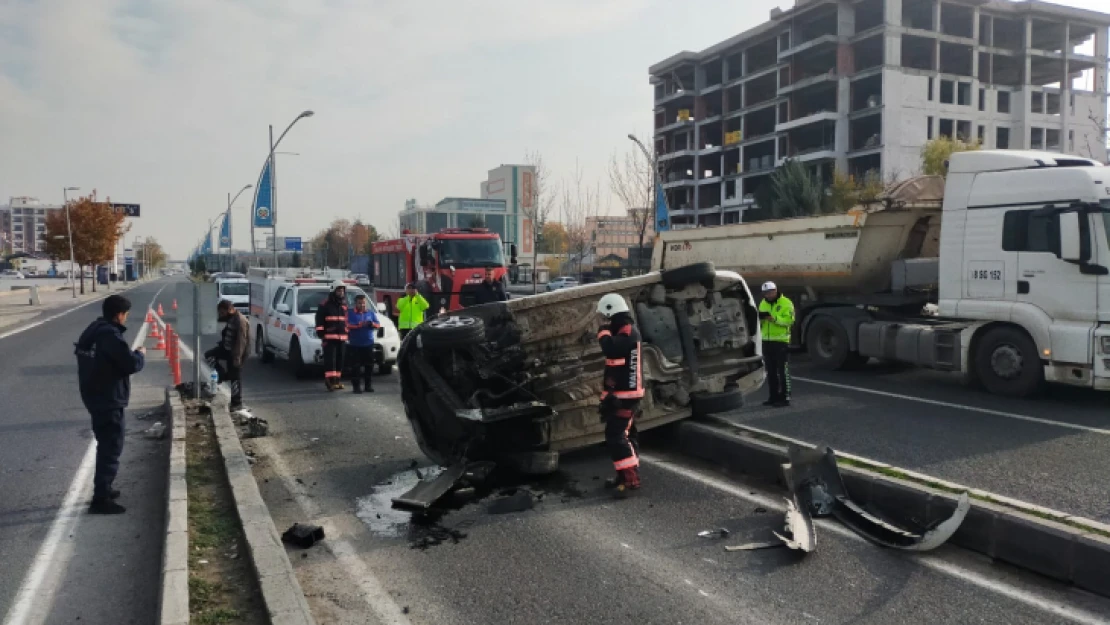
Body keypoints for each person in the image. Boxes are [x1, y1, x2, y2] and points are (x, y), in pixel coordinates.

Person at [75, 294, 146, 514]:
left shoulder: (93, 330)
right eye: (125, 315)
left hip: (93, 394)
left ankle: (105, 487)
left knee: (105, 443)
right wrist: (139, 354)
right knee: (111, 446)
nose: (126, 318)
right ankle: (101, 498)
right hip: (108, 398)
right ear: (119, 315)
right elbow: (130, 364)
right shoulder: (110, 336)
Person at [595, 293, 644, 498]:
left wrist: (602, 331)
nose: (604, 322)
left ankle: (630, 478)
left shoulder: (627, 332)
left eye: (605, 317)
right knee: (623, 435)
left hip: (626, 396)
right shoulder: (625, 330)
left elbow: (610, 348)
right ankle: (623, 475)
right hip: (622, 395)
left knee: (617, 436)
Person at [204, 300, 251, 410]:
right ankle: (221, 374)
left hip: (236, 352)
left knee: (235, 378)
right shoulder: (231, 318)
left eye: (222, 312)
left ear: (229, 309)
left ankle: (236, 403)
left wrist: (237, 357)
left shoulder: (240, 321)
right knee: (209, 355)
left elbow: (241, 341)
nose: (221, 315)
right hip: (226, 349)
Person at [759, 281, 795, 407]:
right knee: (771, 371)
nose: (768, 295)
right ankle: (773, 396)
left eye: (770, 292)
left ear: (776, 290)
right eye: (765, 293)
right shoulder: (763, 303)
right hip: (767, 341)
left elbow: (789, 320)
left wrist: (774, 319)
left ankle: (785, 397)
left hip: (781, 342)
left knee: (782, 370)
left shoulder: (786, 303)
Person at [316, 281, 349, 391]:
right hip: (329, 338)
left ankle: (337, 381)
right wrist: (321, 334)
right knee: (330, 360)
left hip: (341, 337)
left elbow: (346, 320)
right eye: (339, 290)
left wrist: (347, 331)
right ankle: (329, 381)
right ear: (333, 291)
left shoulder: (343, 305)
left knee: (340, 360)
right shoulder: (325, 305)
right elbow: (319, 320)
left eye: (343, 290)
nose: (341, 292)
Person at [346, 294, 381, 394]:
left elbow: (378, 325)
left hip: (368, 343)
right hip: (355, 344)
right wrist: (358, 325)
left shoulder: (370, 313)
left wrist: (372, 324)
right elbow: (346, 325)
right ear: (356, 304)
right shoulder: (350, 313)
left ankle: (368, 386)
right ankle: (356, 387)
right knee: (355, 367)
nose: (362, 305)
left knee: (369, 366)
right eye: (360, 303)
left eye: (364, 303)